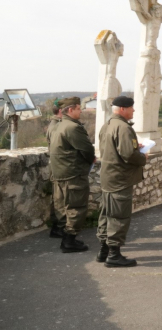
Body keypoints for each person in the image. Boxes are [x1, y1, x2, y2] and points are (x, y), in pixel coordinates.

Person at [96, 96, 147, 267]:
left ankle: (103, 250)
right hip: (120, 179)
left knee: (106, 214)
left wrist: (134, 148)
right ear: (123, 109)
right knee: (119, 216)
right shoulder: (124, 127)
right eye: (132, 108)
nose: (133, 111)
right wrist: (142, 157)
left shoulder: (107, 125)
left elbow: (110, 149)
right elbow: (128, 155)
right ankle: (114, 255)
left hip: (108, 177)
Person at [49, 97, 96, 253]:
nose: (80, 111)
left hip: (59, 173)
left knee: (62, 207)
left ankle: (65, 234)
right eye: (78, 108)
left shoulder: (58, 125)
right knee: (76, 207)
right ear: (70, 110)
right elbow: (88, 150)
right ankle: (69, 240)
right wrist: (91, 160)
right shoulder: (73, 127)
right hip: (73, 174)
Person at [46, 98, 65, 238]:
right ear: (60, 111)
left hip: (60, 166)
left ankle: (59, 226)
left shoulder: (58, 125)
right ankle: (59, 227)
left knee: (61, 198)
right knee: (59, 199)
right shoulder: (55, 126)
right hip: (58, 167)